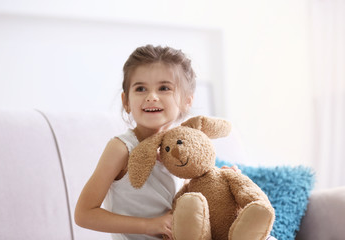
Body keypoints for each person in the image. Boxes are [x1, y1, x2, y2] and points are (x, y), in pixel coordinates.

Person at [74, 44, 239, 240]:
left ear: (187, 100)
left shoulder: (183, 147)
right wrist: (150, 225)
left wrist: (220, 184)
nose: (152, 97)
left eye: (164, 88)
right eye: (141, 88)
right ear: (126, 101)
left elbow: (189, 197)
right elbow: (84, 214)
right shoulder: (121, 148)